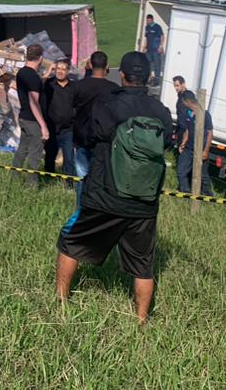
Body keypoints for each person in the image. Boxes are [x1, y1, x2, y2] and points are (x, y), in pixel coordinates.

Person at [56, 51, 173, 324]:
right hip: (143, 202)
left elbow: (86, 137)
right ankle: (141, 321)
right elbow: (166, 143)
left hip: (104, 194)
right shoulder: (161, 112)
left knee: (70, 243)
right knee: (143, 265)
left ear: (121, 76)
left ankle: (60, 303)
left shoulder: (108, 104)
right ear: (150, 77)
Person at [70, 50, 115, 202]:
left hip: (82, 138)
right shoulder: (113, 89)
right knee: (101, 180)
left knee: (82, 179)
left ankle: (81, 209)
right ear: (107, 66)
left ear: (90, 64)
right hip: (103, 141)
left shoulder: (78, 86)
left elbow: (71, 109)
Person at [12, 44, 50, 183]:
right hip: (33, 120)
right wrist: (43, 126)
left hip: (24, 117)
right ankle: (31, 186)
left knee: (22, 150)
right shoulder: (33, 77)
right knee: (35, 154)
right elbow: (34, 103)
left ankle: (14, 179)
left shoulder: (22, 73)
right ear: (40, 58)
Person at [42, 59, 78, 181]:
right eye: (58, 69)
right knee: (50, 157)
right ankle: (48, 182)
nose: (60, 71)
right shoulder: (49, 84)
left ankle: (68, 185)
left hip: (68, 130)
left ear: (68, 71)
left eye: (63, 69)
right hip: (52, 129)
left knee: (69, 159)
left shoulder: (74, 87)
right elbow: (38, 85)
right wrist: (48, 72)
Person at [175, 90, 213, 195]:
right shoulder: (189, 113)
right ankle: (185, 193)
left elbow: (210, 133)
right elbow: (187, 130)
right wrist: (183, 143)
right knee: (181, 171)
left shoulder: (205, 115)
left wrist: (206, 150)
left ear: (188, 101)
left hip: (201, 149)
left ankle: (207, 195)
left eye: (183, 102)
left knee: (203, 175)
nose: (182, 104)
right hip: (188, 148)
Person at [143, 14, 164, 84]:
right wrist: (144, 47)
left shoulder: (157, 27)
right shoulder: (147, 27)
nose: (148, 21)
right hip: (149, 50)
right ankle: (148, 79)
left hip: (156, 50)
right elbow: (146, 38)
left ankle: (156, 81)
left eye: (149, 20)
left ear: (152, 20)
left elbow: (162, 36)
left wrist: (161, 46)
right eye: (147, 20)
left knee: (156, 65)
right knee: (147, 64)